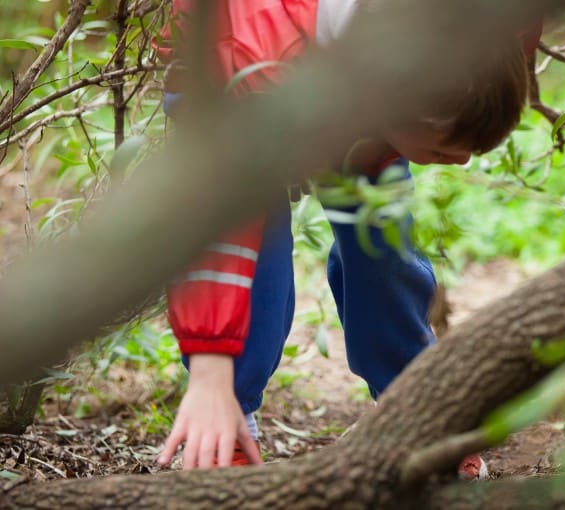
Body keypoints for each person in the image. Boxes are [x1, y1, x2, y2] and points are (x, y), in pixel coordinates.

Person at [153, 0, 539, 479]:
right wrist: (213, 376)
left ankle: (416, 406)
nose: (461, 164)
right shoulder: (250, 57)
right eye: (443, 148)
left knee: (380, 240)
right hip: (230, 86)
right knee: (254, 243)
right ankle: (227, 421)